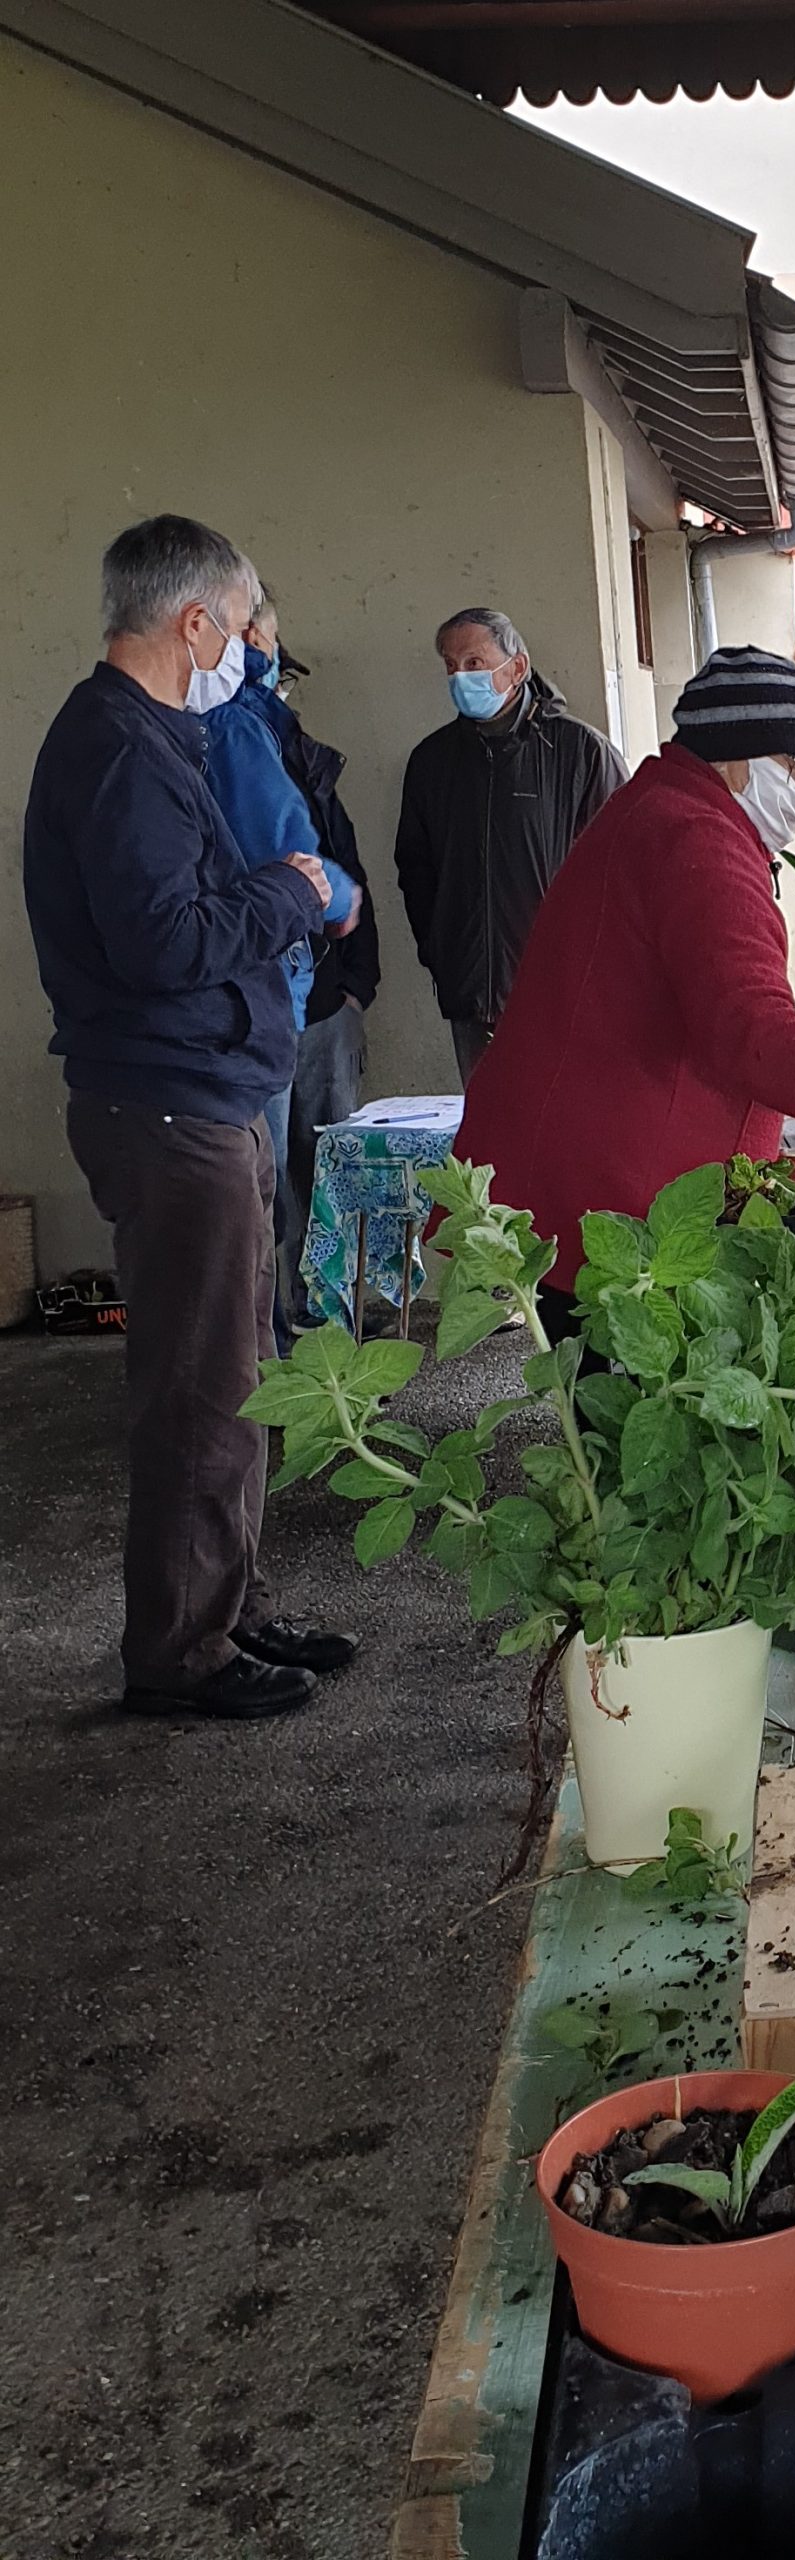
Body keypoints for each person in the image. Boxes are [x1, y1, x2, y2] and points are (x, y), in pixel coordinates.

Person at [22, 515, 355, 1719]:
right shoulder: (117, 746)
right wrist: (289, 890)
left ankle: (232, 1605)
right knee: (198, 1386)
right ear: (195, 621)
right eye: (244, 619)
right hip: (167, 1103)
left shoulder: (152, 736)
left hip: (199, 1092)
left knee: (237, 1372)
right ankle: (180, 1649)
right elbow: (164, 939)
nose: (252, 647)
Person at [456, 646, 795, 1290]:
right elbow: (754, 1036)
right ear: (736, 759)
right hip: (616, 1198)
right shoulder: (697, 839)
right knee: (629, 1383)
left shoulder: (664, 812)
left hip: (596, 1178)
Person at [200, 587, 362, 1349]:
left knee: (292, 1175)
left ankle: (288, 1336)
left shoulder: (255, 724)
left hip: (296, 987)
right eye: (258, 635)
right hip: (257, 986)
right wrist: (340, 899)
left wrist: (354, 973)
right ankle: (270, 1354)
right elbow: (289, 844)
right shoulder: (234, 727)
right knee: (256, 1191)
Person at [394, 606, 626, 1082]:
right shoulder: (432, 762)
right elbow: (416, 871)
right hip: (471, 997)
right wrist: (441, 951)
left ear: (516, 668)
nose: (460, 677)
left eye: (474, 663)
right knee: (486, 1141)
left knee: (567, 1131)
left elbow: (624, 872)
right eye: (451, 666)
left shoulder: (580, 752)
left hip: (566, 997)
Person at [250, 603, 381, 1326]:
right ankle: (278, 1333)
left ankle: (334, 1322)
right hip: (263, 1003)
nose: (277, 682)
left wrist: (359, 984)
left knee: (331, 1176)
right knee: (267, 1190)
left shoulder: (303, 758)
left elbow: (349, 871)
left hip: (327, 1003)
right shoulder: (224, 753)